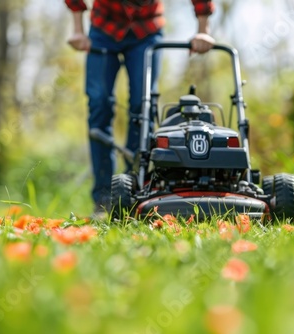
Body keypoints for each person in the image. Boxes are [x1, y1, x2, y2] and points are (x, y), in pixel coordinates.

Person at [64, 0, 215, 216]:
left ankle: (133, 191)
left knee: (142, 105)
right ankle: (104, 198)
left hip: (146, 30)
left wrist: (203, 30)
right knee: (99, 102)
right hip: (104, 27)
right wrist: (78, 29)